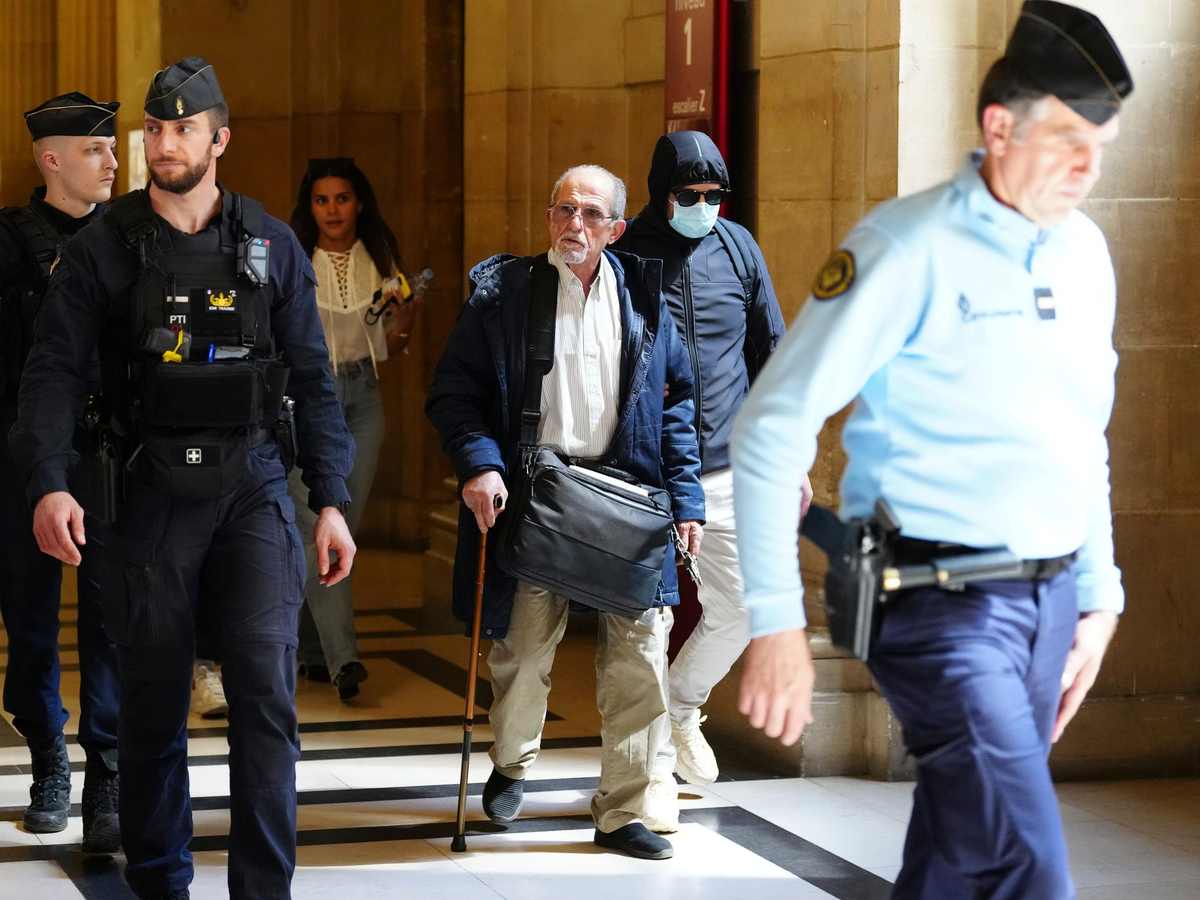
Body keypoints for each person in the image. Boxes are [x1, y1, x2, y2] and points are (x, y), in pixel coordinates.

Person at [731, 4, 1132, 898]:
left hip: (1048, 601)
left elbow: (1082, 437)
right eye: (1069, 141)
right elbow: (770, 428)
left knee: (959, 853)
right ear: (1000, 128)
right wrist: (775, 623)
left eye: (1102, 146)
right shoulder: (905, 247)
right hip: (934, 604)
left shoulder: (1086, 254)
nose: (1089, 169)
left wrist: (1098, 594)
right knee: (1029, 866)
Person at [9, 57, 356, 900]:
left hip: (252, 489)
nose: (165, 144)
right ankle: (162, 884)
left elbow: (313, 378)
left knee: (266, 701)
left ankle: (262, 890)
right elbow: (53, 373)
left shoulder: (270, 244)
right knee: (153, 707)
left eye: (184, 129)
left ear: (218, 139)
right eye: (156, 130)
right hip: (145, 495)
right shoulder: (101, 248)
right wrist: (49, 481)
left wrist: (332, 499)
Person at [426, 165, 704, 861]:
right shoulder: (505, 294)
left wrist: (687, 500)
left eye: (590, 213)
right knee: (523, 651)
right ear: (549, 217)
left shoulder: (644, 297)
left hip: (629, 502)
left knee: (640, 662)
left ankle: (624, 810)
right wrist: (480, 464)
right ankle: (512, 759)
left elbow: (675, 406)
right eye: (563, 210)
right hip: (538, 497)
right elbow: (454, 393)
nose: (573, 224)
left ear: (615, 228)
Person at [616, 130, 798, 831]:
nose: (702, 206)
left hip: (727, 464)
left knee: (744, 605)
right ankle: (652, 772)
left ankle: (684, 706)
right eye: (687, 195)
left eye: (713, 194)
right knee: (646, 626)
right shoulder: (627, 251)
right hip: (647, 469)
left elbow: (772, 350)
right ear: (659, 193)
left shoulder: (738, 247)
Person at [0, 92, 122, 852]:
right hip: (22, 454)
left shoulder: (133, 237)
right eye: (94, 150)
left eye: (111, 148)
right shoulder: (7, 243)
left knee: (111, 615)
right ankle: (48, 755)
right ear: (52, 160)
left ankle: (106, 770)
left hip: (108, 450)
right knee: (30, 614)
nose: (112, 162)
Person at [287, 157, 421, 700]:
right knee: (319, 524)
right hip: (309, 398)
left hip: (364, 397)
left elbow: (393, 345)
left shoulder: (380, 259)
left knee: (342, 526)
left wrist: (406, 318)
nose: (332, 209)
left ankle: (313, 651)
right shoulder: (294, 257)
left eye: (341, 198)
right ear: (310, 207)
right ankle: (345, 660)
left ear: (358, 203)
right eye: (321, 200)